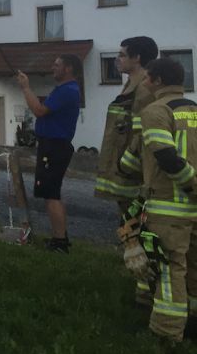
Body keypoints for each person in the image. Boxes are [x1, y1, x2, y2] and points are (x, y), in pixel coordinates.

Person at [130, 57, 197, 343]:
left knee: (169, 268)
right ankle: (192, 323)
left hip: (171, 207)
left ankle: (167, 334)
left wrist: (193, 186)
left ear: (158, 81)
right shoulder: (194, 110)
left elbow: (166, 156)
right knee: (193, 268)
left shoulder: (156, 111)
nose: (144, 82)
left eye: (147, 78)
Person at [94, 37, 159, 303]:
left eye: (122, 55)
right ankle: (143, 283)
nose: (117, 59)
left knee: (139, 227)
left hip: (132, 173)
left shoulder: (144, 88)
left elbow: (143, 134)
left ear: (138, 58)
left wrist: (128, 165)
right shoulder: (131, 84)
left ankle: (148, 286)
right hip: (122, 172)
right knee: (129, 226)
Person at [16, 54, 83, 253]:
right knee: (51, 193)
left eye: (57, 65)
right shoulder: (65, 89)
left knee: (51, 193)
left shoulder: (67, 90)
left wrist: (26, 88)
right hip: (53, 145)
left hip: (54, 147)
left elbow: (39, 110)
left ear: (68, 68)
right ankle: (59, 238)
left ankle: (60, 242)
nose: (53, 67)